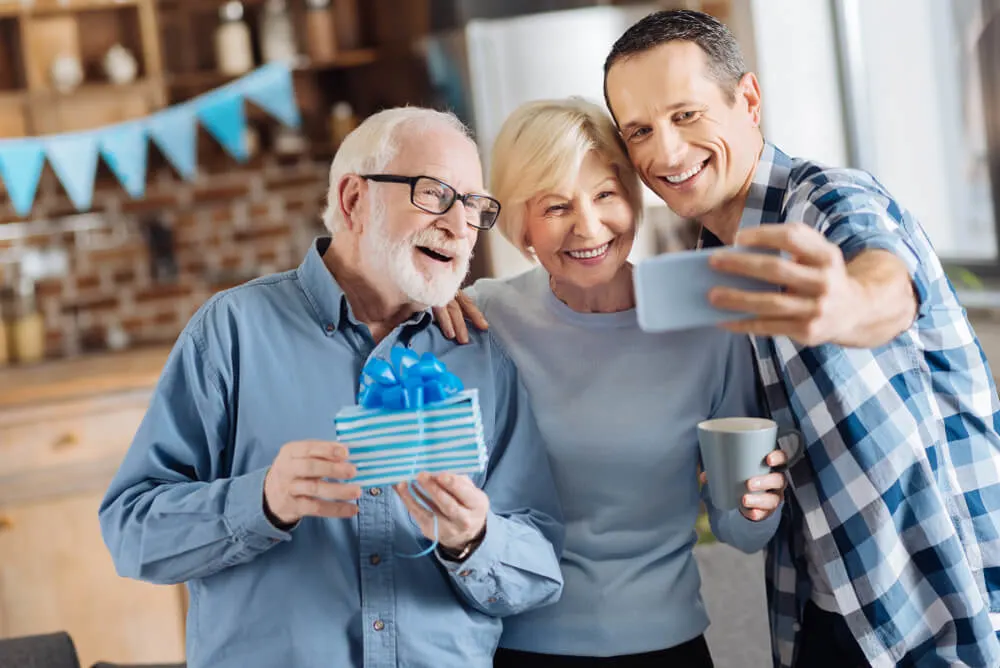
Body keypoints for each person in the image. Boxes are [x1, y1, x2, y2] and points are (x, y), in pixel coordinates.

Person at [600, 9, 1000, 668]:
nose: (664, 153)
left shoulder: (825, 201)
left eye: (686, 115)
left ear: (748, 100)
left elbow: (886, 283)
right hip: (820, 608)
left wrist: (843, 305)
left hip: (937, 603)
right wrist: (745, 494)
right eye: (640, 130)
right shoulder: (707, 270)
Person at [98, 107, 564, 668]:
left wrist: (473, 537)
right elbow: (132, 533)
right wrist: (263, 501)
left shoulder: (480, 354)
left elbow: (539, 573)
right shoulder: (231, 332)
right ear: (352, 200)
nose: (460, 225)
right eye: (436, 194)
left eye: (473, 206)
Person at [434, 97, 785, 668]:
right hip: (520, 644)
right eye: (554, 207)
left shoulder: (705, 322)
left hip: (667, 646)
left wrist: (755, 507)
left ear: (633, 197)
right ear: (520, 222)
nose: (588, 227)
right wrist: (425, 300)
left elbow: (741, 534)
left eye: (605, 195)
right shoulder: (477, 318)